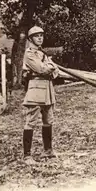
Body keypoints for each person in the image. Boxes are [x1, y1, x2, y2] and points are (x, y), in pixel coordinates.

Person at [21, 26, 60, 165]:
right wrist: (50, 67)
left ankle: (48, 150)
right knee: (30, 122)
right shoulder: (29, 53)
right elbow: (42, 69)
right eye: (37, 36)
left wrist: (51, 68)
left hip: (47, 90)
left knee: (48, 120)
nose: (40, 38)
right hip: (35, 90)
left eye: (41, 35)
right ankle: (27, 156)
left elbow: (55, 73)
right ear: (30, 38)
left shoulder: (43, 54)